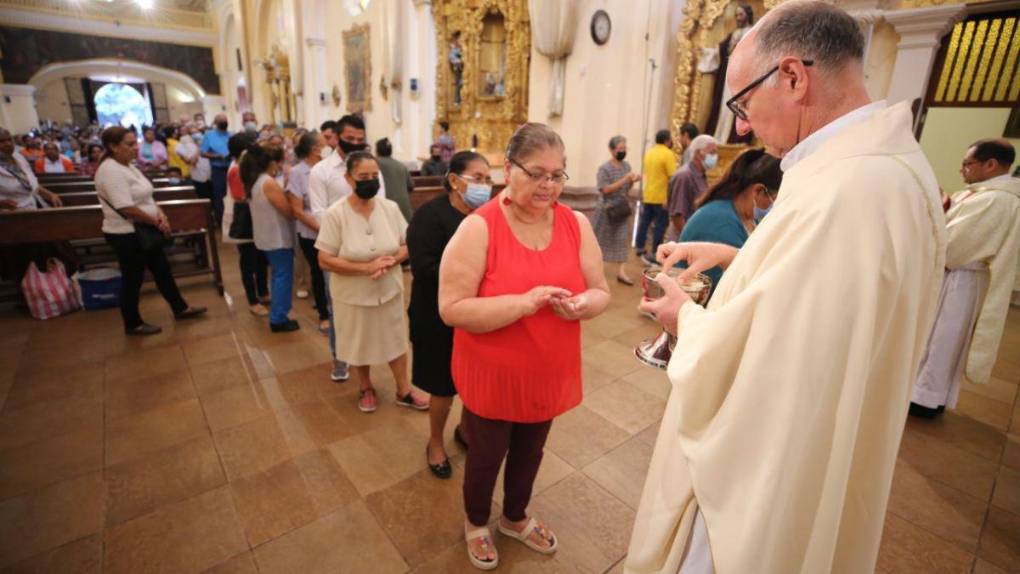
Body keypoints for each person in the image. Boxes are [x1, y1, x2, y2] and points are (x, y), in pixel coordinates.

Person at [626, 3, 946, 573]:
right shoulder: (877, 168)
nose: (742, 126)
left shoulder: (848, 193)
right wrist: (737, 256)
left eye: (744, 104)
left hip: (765, 478)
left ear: (794, 77)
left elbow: (775, 371)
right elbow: (817, 300)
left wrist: (685, 321)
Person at [438, 123, 611, 570]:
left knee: (531, 450)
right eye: (537, 173)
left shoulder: (575, 224)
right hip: (493, 368)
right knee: (487, 453)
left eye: (557, 175)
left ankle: (515, 517)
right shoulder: (479, 229)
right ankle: (476, 522)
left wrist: (583, 305)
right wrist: (524, 303)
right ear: (509, 170)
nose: (548, 185)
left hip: (547, 366)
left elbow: (601, 291)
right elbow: (452, 308)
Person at [910, 139, 1020, 417]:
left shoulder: (997, 200)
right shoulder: (984, 194)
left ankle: (924, 398)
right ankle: (925, 393)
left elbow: (955, 246)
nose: (962, 171)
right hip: (956, 277)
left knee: (941, 340)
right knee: (937, 338)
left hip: (960, 279)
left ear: (991, 164)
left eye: (967, 164)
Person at [315, 151, 430, 413]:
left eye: (374, 176)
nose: (370, 181)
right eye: (363, 177)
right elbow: (324, 259)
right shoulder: (336, 214)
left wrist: (390, 261)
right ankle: (365, 387)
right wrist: (366, 267)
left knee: (396, 340)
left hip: (388, 289)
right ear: (348, 178)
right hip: (352, 294)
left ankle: (403, 390)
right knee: (359, 342)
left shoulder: (389, 208)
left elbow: (407, 243)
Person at [408, 150, 491, 479]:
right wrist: (469, 273)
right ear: (455, 180)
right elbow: (423, 268)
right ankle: (435, 443)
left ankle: (463, 429)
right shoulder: (430, 217)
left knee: (473, 382)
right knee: (443, 386)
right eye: (477, 179)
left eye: (488, 179)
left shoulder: (485, 216)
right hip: (436, 315)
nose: (484, 185)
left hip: (476, 314)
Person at [95, 127, 207, 335]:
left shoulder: (128, 166)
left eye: (135, 142)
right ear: (113, 147)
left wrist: (160, 214)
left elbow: (146, 197)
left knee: (162, 270)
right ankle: (133, 323)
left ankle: (180, 308)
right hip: (126, 234)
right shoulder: (110, 170)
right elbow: (124, 207)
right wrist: (155, 222)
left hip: (142, 228)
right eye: (129, 144)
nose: (135, 147)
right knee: (133, 278)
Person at [310, 114, 383, 382]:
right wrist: (342, 239)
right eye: (349, 138)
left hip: (371, 244)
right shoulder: (322, 171)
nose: (355, 143)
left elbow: (381, 201)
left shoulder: (372, 167)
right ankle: (340, 358)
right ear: (337, 136)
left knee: (371, 304)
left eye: (360, 140)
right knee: (338, 307)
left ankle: (369, 353)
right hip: (338, 248)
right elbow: (318, 212)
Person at [677, 147, 781, 299]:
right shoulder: (719, 224)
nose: (775, 206)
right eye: (775, 199)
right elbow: (728, 291)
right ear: (758, 191)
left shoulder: (744, 215)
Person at [242, 143, 298, 332]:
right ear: (271, 163)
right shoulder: (268, 183)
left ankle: (278, 314)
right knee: (283, 275)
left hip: (266, 236)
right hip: (277, 237)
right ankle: (279, 318)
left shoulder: (255, 181)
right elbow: (287, 211)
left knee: (277, 275)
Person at [287, 131, 331, 333]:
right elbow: (296, 209)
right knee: (319, 271)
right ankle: (324, 314)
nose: (329, 145)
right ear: (315, 149)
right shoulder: (297, 172)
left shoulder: (328, 169)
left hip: (333, 229)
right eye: (325, 143)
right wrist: (322, 228)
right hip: (311, 232)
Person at [224, 132, 270, 316]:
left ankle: (263, 292)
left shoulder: (244, 165)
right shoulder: (236, 169)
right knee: (248, 261)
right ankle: (252, 300)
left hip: (254, 218)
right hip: (244, 220)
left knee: (260, 258)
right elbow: (240, 196)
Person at [593, 135, 641, 285]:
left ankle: (621, 273)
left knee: (621, 241)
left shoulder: (626, 166)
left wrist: (632, 181)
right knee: (599, 242)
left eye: (624, 149)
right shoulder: (604, 169)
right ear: (611, 150)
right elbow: (604, 189)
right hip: (607, 210)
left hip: (622, 209)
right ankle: (594, 272)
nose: (622, 151)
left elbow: (626, 188)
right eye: (620, 149)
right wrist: (624, 180)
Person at [636, 129, 677, 265]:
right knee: (660, 226)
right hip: (661, 197)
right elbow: (672, 177)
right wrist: (669, 198)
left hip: (648, 194)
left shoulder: (649, 153)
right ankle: (655, 252)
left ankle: (640, 247)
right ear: (667, 140)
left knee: (644, 223)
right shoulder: (668, 154)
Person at [666, 134, 718, 240]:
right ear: (698, 153)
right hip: (683, 242)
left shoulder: (701, 175)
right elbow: (677, 215)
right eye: (712, 153)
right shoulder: (684, 176)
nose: (715, 157)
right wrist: (689, 238)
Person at [201, 113, 232, 222]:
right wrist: (217, 156)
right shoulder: (209, 135)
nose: (224, 123)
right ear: (216, 123)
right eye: (221, 121)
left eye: (225, 121)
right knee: (219, 195)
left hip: (231, 167)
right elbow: (203, 153)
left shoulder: (231, 134)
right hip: (218, 169)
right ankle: (221, 220)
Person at [375, 137, 414, 223]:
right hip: (404, 209)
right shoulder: (401, 166)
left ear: (377, 151)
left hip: (385, 209)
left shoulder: (374, 163)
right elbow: (411, 186)